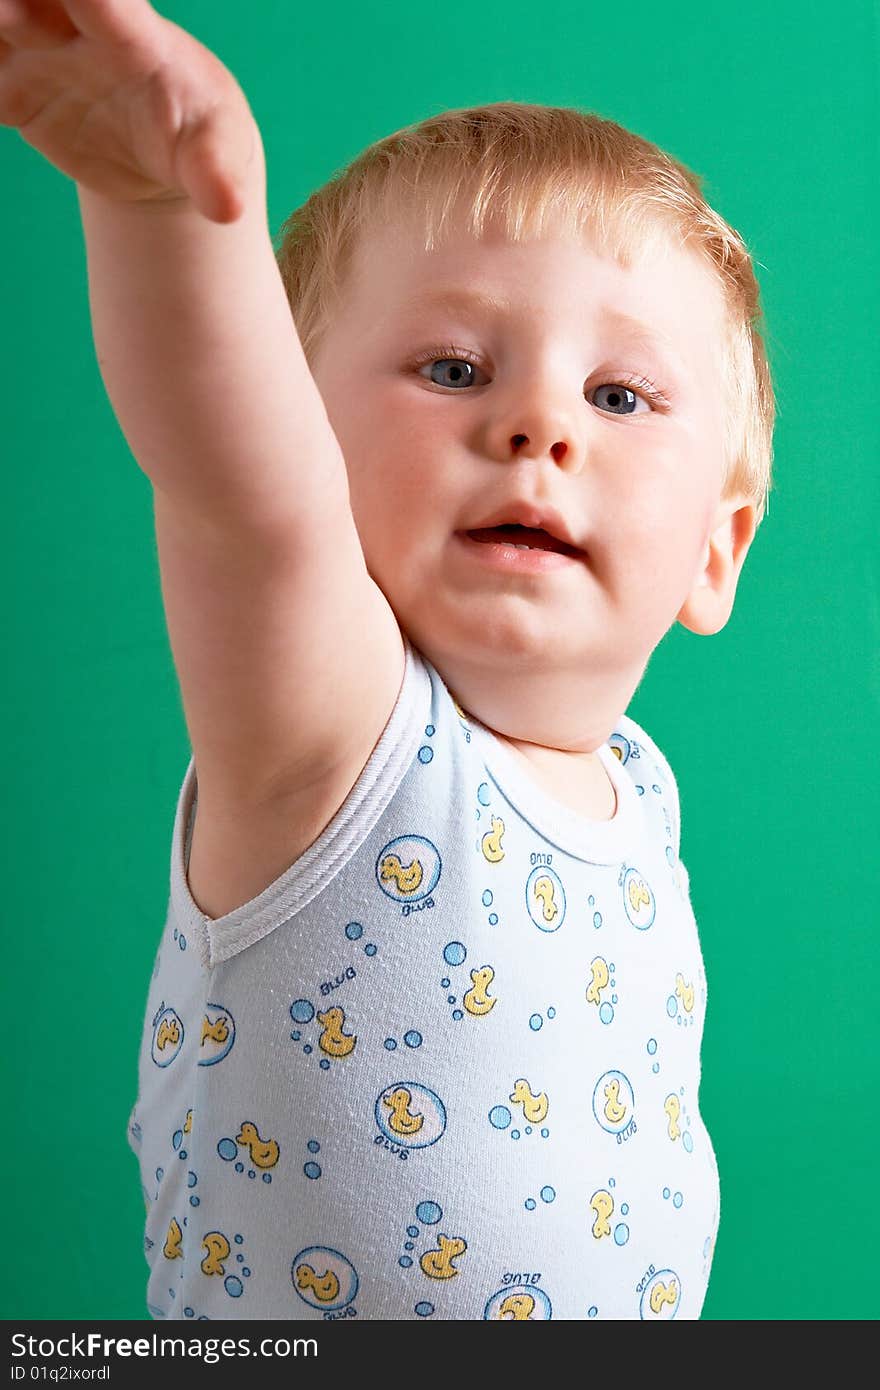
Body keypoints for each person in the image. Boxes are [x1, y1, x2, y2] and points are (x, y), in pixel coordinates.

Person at [2, 0, 775, 1321]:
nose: (537, 423)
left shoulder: (643, 797)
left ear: (718, 547)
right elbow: (249, 499)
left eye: (619, 396)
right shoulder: (339, 738)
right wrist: (156, 204)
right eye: (453, 365)